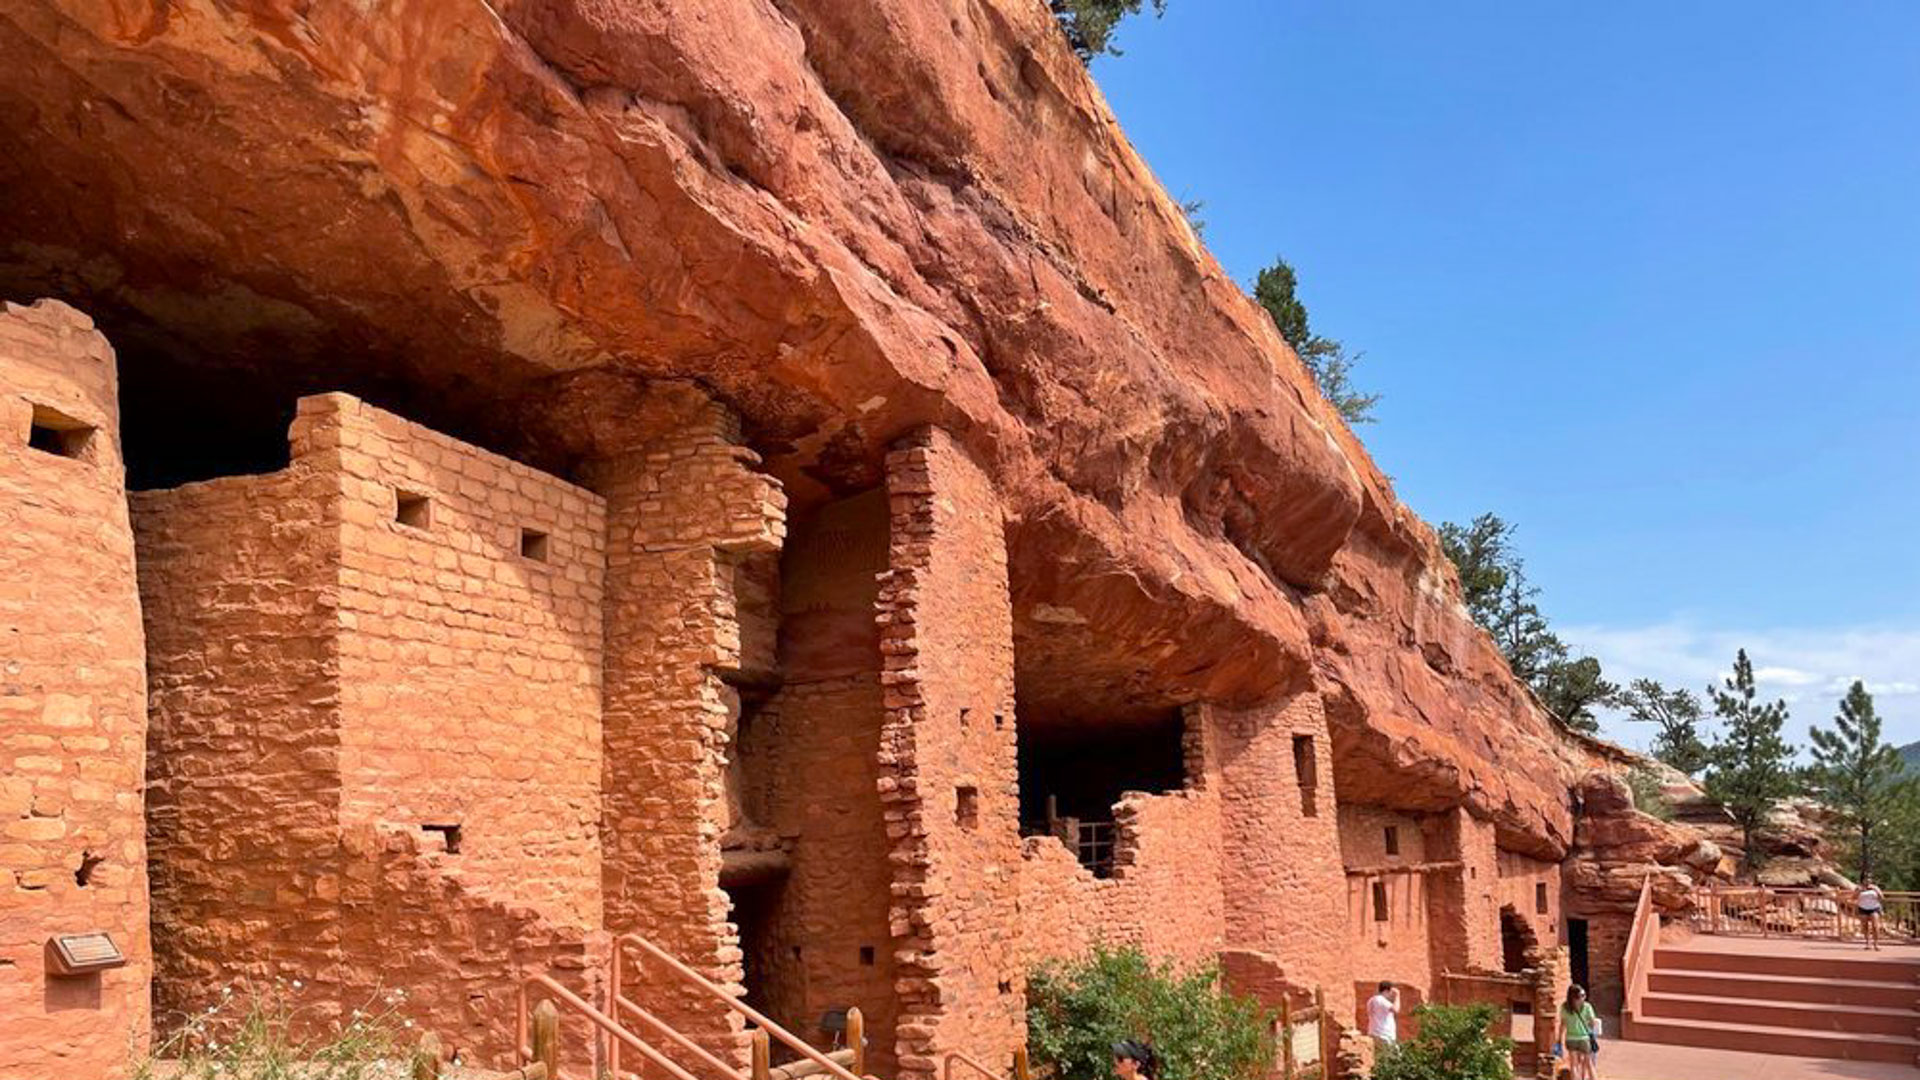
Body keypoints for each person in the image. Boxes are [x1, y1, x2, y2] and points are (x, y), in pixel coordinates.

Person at [1559, 984, 1600, 1080]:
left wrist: (1559, 1038)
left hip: (1570, 1038)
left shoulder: (1565, 1007)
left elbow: (1563, 1024)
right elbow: (1592, 1022)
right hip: (1584, 1038)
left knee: (1574, 1065)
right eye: (1582, 995)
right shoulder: (1586, 1007)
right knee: (1589, 1064)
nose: (1583, 997)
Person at [1365, 981, 1401, 1055]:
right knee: (1393, 1057)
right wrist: (1397, 996)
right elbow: (1396, 1009)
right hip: (1384, 1035)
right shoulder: (1381, 1000)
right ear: (1386, 991)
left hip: (1374, 1033)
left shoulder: (1371, 1000)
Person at [1858, 878, 1885, 951]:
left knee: (1875, 926)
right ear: (1863, 881)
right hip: (1863, 908)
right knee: (1865, 926)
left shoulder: (1875, 888)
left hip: (1874, 908)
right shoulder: (1859, 888)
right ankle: (1868, 943)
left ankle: (1876, 943)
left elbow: (1882, 898)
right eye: (1866, 880)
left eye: (1869, 880)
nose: (1867, 882)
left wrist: (1876, 890)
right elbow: (1853, 897)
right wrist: (1858, 891)